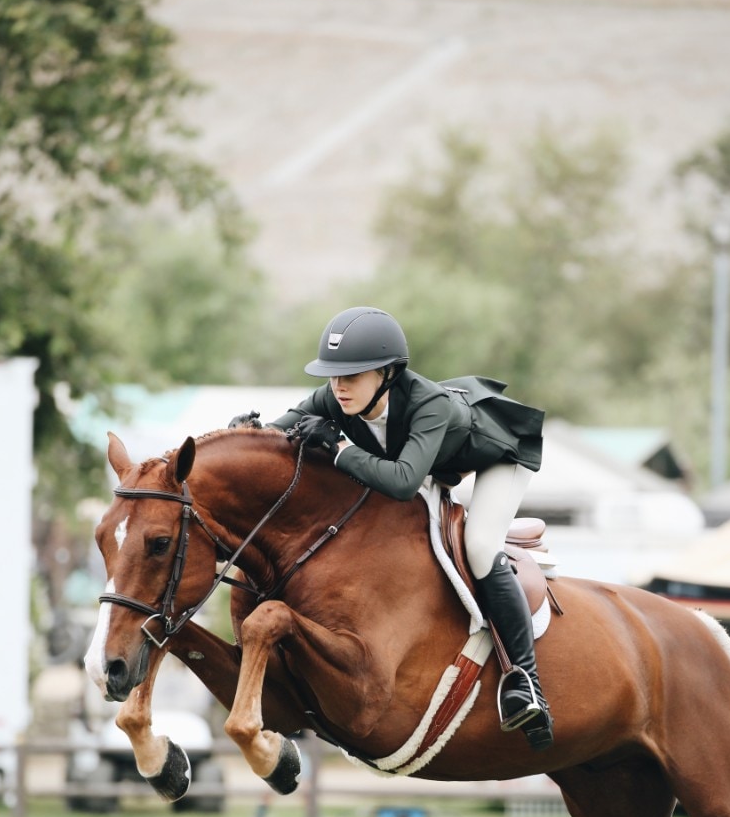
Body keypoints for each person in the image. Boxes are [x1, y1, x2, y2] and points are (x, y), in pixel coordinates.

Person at [234, 306, 553, 749]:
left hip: (499, 457)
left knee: (480, 546)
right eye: (332, 376)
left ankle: (525, 682)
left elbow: (403, 481)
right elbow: (278, 434)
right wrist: (247, 433)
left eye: (352, 376)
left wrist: (342, 449)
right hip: (433, 464)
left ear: (387, 373)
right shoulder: (336, 397)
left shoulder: (429, 404)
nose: (339, 387)